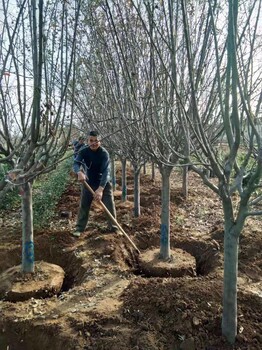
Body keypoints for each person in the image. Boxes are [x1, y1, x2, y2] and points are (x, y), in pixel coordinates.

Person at [72, 130, 118, 237]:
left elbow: (106, 172)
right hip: (88, 181)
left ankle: (114, 227)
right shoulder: (84, 151)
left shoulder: (104, 154)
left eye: (96, 141)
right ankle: (79, 228)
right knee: (84, 205)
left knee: (109, 205)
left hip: (103, 183)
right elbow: (76, 163)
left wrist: (101, 189)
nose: (93, 143)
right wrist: (79, 172)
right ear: (87, 141)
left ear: (100, 141)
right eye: (91, 141)